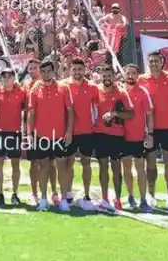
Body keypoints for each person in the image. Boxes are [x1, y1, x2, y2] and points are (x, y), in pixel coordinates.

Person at [27, 58, 73, 212]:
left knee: (61, 166)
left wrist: (69, 132)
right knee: (43, 166)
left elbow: (70, 112)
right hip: (41, 136)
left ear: (54, 71)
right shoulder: (35, 88)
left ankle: (64, 199)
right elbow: (31, 113)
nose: (46, 74)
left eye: (49, 71)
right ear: (41, 72)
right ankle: (44, 199)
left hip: (59, 135)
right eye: (43, 71)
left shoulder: (63, 88)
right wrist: (29, 133)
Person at [139, 51, 168, 210]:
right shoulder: (141, 79)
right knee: (150, 163)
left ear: (162, 62)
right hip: (149, 128)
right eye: (151, 61)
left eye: (156, 61)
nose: (154, 63)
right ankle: (151, 195)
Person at [93, 63, 134, 210]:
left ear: (113, 77)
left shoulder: (122, 93)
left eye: (109, 75)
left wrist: (115, 114)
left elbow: (131, 113)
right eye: (104, 76)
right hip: (100, 134)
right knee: (103, 167)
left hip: (117, 135)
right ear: (101, 77)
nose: (107, 78)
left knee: (116, 168)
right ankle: (104, 198)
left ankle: (117, 199)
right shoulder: (95, 90)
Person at [61, 57, 97, 206]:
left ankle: (87, 193)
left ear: (85, 70)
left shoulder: (92, 87)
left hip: (87, 130)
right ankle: (68, 193)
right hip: (69, 131)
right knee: (68, 163)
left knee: (86, 162)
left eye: (80, 69)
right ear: (70, 70)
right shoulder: (63, 85)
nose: (77, 72)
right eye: (74, 69)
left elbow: (97, 107)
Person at [121, 64, 154, 211]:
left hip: (139, 136)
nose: (130, 76)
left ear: (137, 75)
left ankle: (143, 199)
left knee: (140, 168)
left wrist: (150, 134)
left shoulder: (143, 92)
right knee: (126, 167)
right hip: (122, 136)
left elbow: (149, 115)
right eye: (128, 73)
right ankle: (130, 195)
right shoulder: (119, 91)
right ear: (124, 74)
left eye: (134, 73)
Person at [0, 67, 26, 205]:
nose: (7, 78)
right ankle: (0, 194)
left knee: (15, 164)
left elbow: (24, 107)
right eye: (4, 76)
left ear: (14, 77)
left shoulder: (21, 92)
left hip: (14, 132)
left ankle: (14, 194)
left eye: (9, 76)